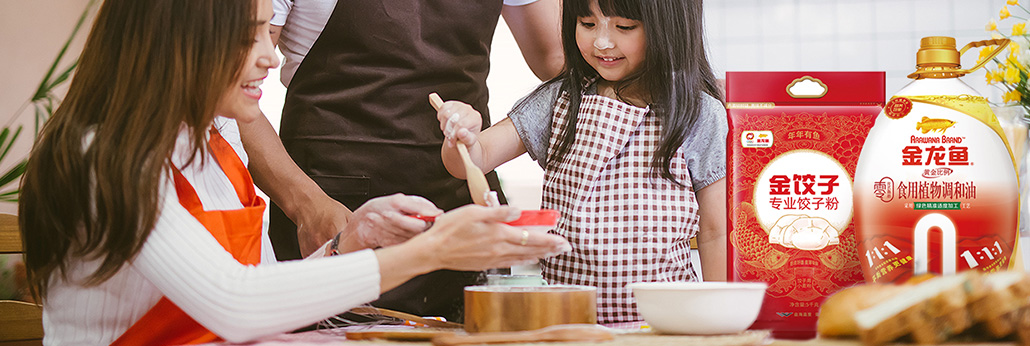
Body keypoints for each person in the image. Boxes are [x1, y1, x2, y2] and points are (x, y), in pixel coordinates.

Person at [16, 0, 570, 345]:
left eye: (268, 33)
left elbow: (263, 290)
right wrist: (431, 251)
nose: (272, 56)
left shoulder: (215, 148)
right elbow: (236, 303)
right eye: (248, 37)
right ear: (175, 43)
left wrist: (346, 244)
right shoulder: (101, 158)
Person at [235, 0, 565, 321]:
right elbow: (227, 88)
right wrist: (306, 205)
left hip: (460, 206)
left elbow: (561, 59)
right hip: (336, 214)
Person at [434, 0, 727, 324]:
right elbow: (473, 161)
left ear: (669, 29)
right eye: (588, 24)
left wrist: (720, 320)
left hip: (665, 324)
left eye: (624, 27)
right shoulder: (560, 98)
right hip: (566, 323)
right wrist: (463, 136)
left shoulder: (698, 113)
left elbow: (715, 231)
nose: (601, 42)